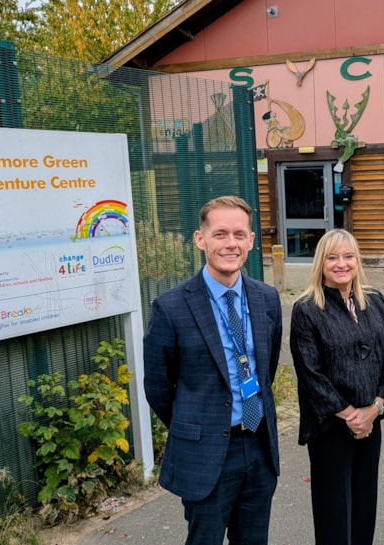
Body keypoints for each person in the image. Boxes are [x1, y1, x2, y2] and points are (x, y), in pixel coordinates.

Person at [144, 195, 282, 545]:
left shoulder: (267, 299)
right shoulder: (171, 308)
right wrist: (196, 425)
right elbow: (158, 387)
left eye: (239, 234)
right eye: (220, 234)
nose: (230, 243)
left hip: (258, 446)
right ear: (200, 239)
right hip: (206, 455)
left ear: (251, 240)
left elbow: (266, 368)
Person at [289, 229, 384, 545]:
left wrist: (375, 408)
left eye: (348, 256)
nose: (342, 263)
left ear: (357, 260)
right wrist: (352, 414)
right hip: (331, 426)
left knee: (365, 506)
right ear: (321, 263)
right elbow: (311, 373)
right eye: (333, 257)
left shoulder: (376, 301)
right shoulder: (307, 309)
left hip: (371, 422)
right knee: (333, 513)